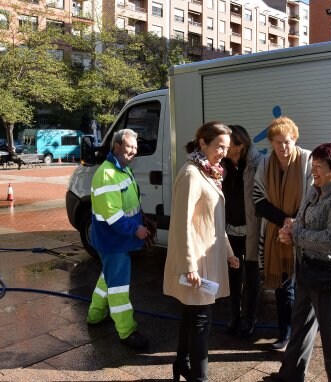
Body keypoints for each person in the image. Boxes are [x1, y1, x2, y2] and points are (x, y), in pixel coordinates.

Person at [271, 143, 331, 382]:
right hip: (307, 269)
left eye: (319, 167)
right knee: (300, 326)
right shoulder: (314, 189)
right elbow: (299, 220)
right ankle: (290, 376)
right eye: (313, 166)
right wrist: (289, 231)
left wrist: (296, 236)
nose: (314, 171)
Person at [164, 121, 240, 382]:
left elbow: (214, 220)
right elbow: (182, 223)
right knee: (200, 320)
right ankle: (199, 377)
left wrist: (229, 252)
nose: (224, 152)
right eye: (219, 146)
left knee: (191, 314)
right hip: (196, 262)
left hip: (207, 259)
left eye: (226, 148)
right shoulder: (191, 174)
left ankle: (182, 364)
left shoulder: (210, 172)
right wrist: (188, 265)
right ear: (202, 144)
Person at [86, 128, 151, 350]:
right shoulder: (107, 174)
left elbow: (130, 203)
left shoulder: (122, 170)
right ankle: (126, 332)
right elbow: (113, 215)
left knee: (108, 278)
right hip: (114, 241)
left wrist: (143, 219)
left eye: (135, 147)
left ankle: (95, 315)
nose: (133, 151)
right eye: (128, 146)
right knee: (118, 288)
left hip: (117, 241)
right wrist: (136, 229)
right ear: (116, 147)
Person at [253, 116, 312, 351]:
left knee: (303, 288)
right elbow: (259, 200)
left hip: (303, 233)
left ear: (295, 139)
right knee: (283, 288)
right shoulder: (265, 164)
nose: (283, 147)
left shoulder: (307, 160)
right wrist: (284, 221)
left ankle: (302, 335)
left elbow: (313, 197)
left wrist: (294, 223)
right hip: (275, 234)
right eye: (277, 142)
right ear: (271, 143)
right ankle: (285, 334)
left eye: (287, 141)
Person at [220, 124, 264, 337]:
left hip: (252, 229)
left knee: (253, 277)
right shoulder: (222, 165)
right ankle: (234, 317)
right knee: (234, 275)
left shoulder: (256, 164)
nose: (225, 147)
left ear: (239, 145)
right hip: (231, 230)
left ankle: (250, 319)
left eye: (229, 144)